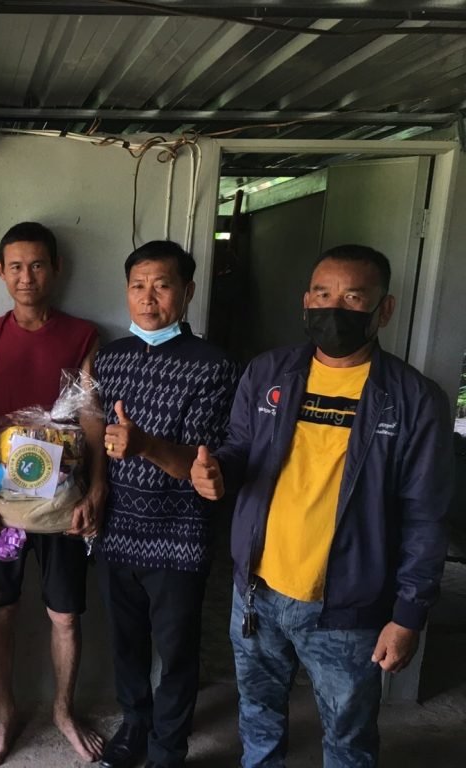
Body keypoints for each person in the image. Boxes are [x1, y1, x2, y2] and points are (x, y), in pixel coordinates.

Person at [191, 244, 453, 767]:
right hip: (257, 593)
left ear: (384, 309)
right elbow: (240, 450)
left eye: (353, 297)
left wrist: (409, 615)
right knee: (258, 717)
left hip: (348, 608)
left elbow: (426, 516)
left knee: (348, 736)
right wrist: (216, 471)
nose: (334, 308)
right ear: (305, 301)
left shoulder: (414, 399)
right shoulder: (269, 372)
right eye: (322, 294)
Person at [0, 221, 106, 765]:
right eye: (16, 266)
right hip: (1, 502)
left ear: (56, 269)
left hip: (65, 503)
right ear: (0, 271)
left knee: (65, 615)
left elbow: (90, 416)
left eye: (38, 265)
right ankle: (6, 714)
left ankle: (63, 711)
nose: (27, 277)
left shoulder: (83, 335)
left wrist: (97, 487)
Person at [95, 241, 238, 768]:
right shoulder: (110, 358)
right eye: (138, 286)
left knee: (177, 651)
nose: (148, 298)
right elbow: (92, 440)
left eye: (162, 285)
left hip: (178, 534)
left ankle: (168, 748)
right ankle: (135, 724)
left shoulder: (215, 366)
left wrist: (144, 445)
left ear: (187, 291)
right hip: (115, 531)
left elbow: (200, 462)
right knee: (126, 643)